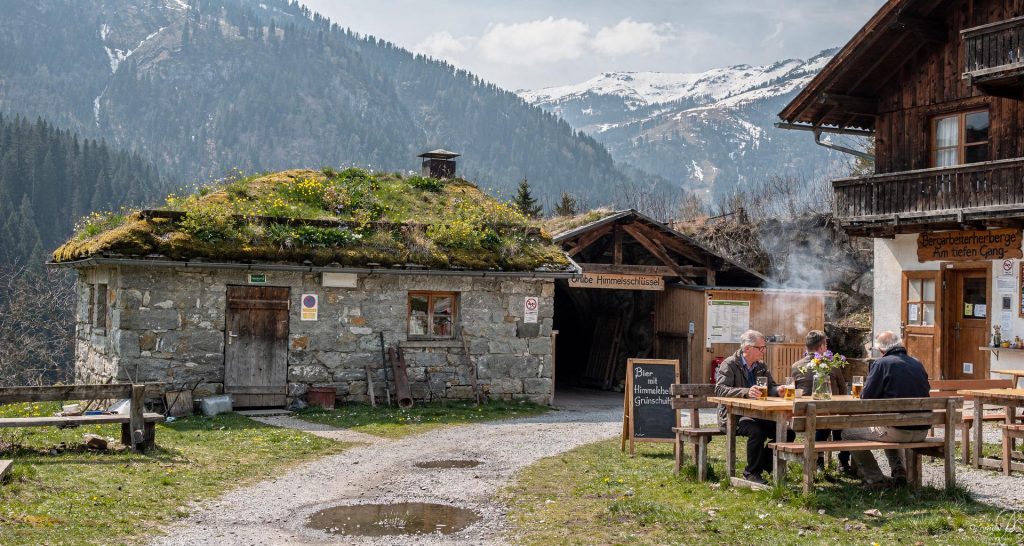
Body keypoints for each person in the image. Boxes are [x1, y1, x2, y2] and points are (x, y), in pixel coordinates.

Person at [842, 330, 931, 488]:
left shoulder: (881, 364)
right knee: (886, 424)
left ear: (882, 350)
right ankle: (899, 471)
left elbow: (866, 398)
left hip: (897, 430)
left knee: (848, 433)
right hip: (922, 431)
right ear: (899, 344)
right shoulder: (917, 363)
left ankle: (875, 479)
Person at [715, 329, 795, 485]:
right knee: (756, 431)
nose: (764, 351)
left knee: (788, 433)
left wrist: (777, 390)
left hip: (758, 415)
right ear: (747, 348)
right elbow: (719, 389)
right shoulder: (730, 364)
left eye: (764, 348)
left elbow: (770, 387)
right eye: (761, 348)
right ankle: (751, 473)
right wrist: (746, 392)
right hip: (733, 416)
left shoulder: (761, 366)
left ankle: (764, 464)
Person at [791, 330, 852, 474]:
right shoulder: (833, 365)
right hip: (831, 416)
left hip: (804, 417)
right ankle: (843, 463)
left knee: (823, 421)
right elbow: (843, 391)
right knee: (838, 423)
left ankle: (818, 463)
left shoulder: (796, 366)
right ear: (821, 347)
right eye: (826, 345)